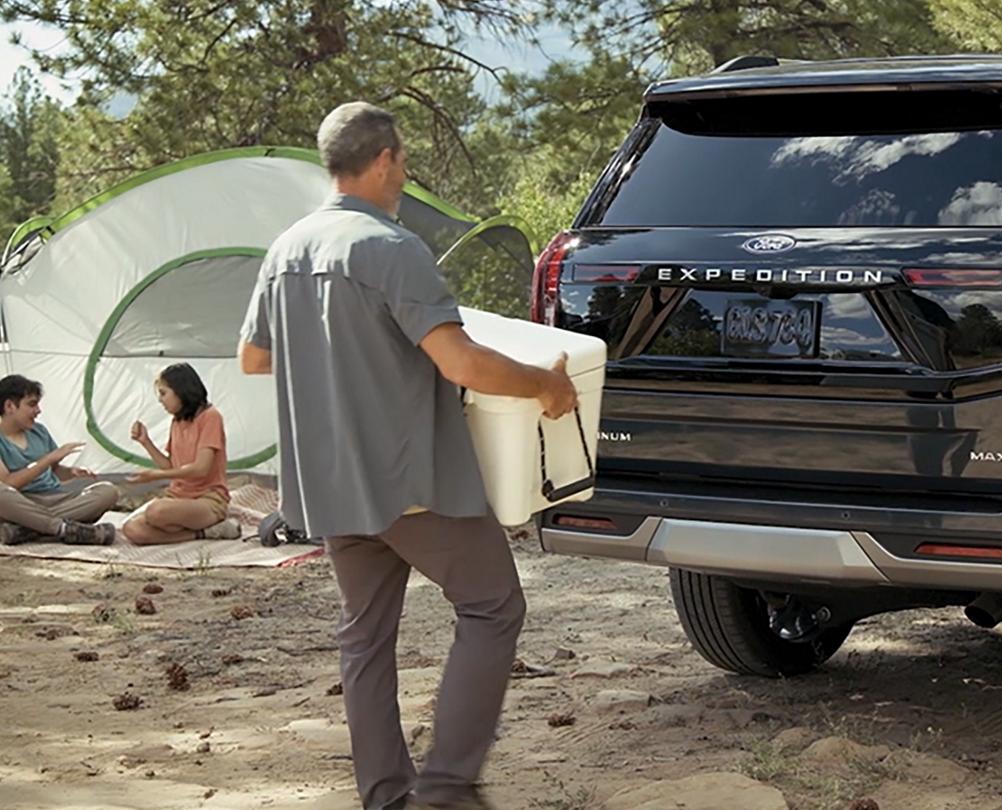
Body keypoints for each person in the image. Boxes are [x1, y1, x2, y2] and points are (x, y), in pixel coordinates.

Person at [238, 101, 577, 810]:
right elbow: (461, 365)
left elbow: (253, 357)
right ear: (386, 159)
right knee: (492, 607)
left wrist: (335, 357)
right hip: (409, 480)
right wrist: (546, 385)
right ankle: (447, 788)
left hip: (333, 485)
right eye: (404, 160)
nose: (405, 172)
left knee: (364, 638)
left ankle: (387, 798)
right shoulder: (392, 248)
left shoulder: (287, 248)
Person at [121, 363, 242, 545]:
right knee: (131, 529)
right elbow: (172, 466)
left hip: (208, 500)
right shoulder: (177, 421)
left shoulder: (210, 417)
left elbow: (201, 469)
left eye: (163, 393)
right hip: (177, 498)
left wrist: (156, 476)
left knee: (156, 511)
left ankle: (193, 523)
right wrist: (146, 442)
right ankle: (206, 533)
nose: (160, 400)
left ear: (181, 390)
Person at [0, 374, 118, 545]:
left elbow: (55, 470)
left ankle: (28, 529)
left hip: (55, 498)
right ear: (10, 406)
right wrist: (47, 459)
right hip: (21, 502)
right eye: (32, 404)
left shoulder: (39, 431)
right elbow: (8, 484)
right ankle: (62, 528)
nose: (38, 411)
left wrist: (71, 472)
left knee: (108, 491)